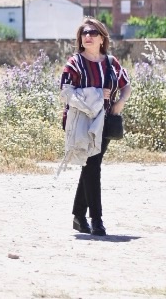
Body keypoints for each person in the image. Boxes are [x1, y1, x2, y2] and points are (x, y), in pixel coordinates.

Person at [60, 18, 130, 236]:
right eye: (84, 33)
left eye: (92, 32)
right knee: (92, 166)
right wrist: (96, 94)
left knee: (91, 165)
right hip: (82, 122)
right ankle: (96, 220)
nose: (87, 36)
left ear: (102, 38)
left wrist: (120, 103)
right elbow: (65, 91)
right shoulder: (75, 63)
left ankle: (79, 216)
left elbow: (126, 85)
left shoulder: (111, 62)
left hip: (105, 122)